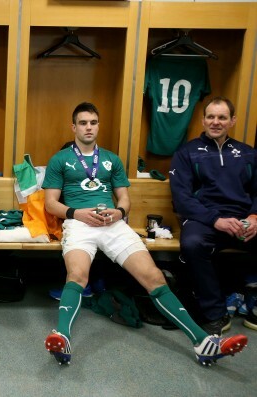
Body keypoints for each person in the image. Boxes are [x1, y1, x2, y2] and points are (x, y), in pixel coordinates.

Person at [42, 102, 248, 366]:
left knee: (154, 277)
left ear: (98, 125)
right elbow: (51, 204)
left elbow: (125, 199)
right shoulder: (60, 160)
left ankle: (202, 342)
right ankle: (63, 336)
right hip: (79, 224)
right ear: (74, 127)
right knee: (78, 275)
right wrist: (76, 213)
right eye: (83, 123)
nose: (88, 127)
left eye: (93, 122)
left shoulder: (111, 159)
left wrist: (118, 212)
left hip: (112, 224)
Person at [169, 96, 257, 335]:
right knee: (192, 244)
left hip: (243, 219)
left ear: (232, 121)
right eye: (211, 117)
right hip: (205, 220)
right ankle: (216, 313)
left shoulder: (248, 153)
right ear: (203, 119)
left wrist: (255, 216)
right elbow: (181, 198)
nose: (215, 122)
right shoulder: (186, 153)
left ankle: (254, 303)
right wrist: (215, 219)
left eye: (222, 117)